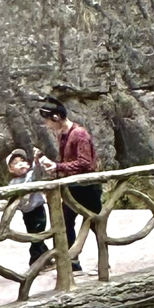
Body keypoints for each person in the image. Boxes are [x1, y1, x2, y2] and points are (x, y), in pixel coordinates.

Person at [37, 100, 100, 275]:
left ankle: (104, 261)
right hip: (71, 185)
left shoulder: (79, 134)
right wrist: (54, 167)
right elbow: (68, 162)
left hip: (87, 186)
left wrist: (58, 167)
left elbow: (85, 162)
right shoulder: (62, 134)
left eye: (48, 120)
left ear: (56, 117)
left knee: (95, 223)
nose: (46, 124)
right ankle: (72, 262)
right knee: (66, 223)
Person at [5, 150, 50, 269]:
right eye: (15, 163)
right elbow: (11, 199)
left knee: (37, 235)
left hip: (38, 209)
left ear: (28, 164)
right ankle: (47, 258)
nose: (20, 164)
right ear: (10, 169)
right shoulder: (12, 183)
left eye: (22, 161)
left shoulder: (31, 175)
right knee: (34, 235)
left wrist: (36, 160)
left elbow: (38, 172)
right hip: (27, 213)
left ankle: (35, 262)